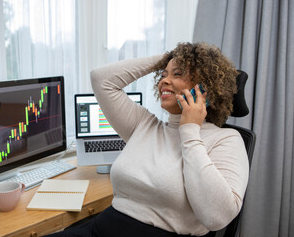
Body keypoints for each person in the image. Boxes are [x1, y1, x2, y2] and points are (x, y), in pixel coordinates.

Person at [45, 42, 249, 237]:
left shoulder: (227, 140)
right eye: (163, 74)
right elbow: (101, 79)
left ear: (205, 88)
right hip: (100, 229)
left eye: (177, 74)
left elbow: (217, 217)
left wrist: (189, 131)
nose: (164, 81)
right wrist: (169, 58)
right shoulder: (144, 125)